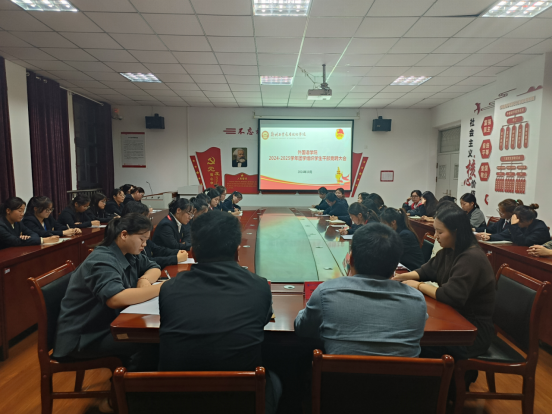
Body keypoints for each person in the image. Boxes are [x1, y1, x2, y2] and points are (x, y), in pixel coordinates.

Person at [159, 211, 281, 414]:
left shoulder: (169, 288)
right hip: (240, 402)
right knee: (276, 379)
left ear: (193, 253)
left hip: (179, 402)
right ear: (237, 251)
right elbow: (263, 320)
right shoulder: (259, 287)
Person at [295, 223, 427, 357]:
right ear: (396, 265)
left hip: (341, 371)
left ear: (351, 259)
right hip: (401, 372)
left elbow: (303, 329)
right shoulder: (417, 301)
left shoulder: (326, 292)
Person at [53, 213, 162, 373]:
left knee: (152, 337)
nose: (144, 244)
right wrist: (161, 288)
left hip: (105, 325)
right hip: (83, 337)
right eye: (142, 239)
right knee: (149, 342)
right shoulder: (102, 260)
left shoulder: (129, 253)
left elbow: (154, 267)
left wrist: (145, 279)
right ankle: (129, 386)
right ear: (124, 235)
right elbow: (115, 298)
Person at [393, 207, 496, 361]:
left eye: (440, 232)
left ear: (456, 232)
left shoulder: (471, 257)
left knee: (413, 342)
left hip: (472, 332)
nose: (435, 236)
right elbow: (425, 271)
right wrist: (398, 278)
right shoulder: (449, 251)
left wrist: (418, 286)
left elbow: (450, 295)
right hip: (455, 319)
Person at [122, 202, 188, 268]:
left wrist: (178, 252)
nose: (144, 244)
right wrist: (175, 258)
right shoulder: (130, 242)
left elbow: (157, 249)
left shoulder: (142, 235)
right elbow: (145, 263)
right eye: (144, 219)